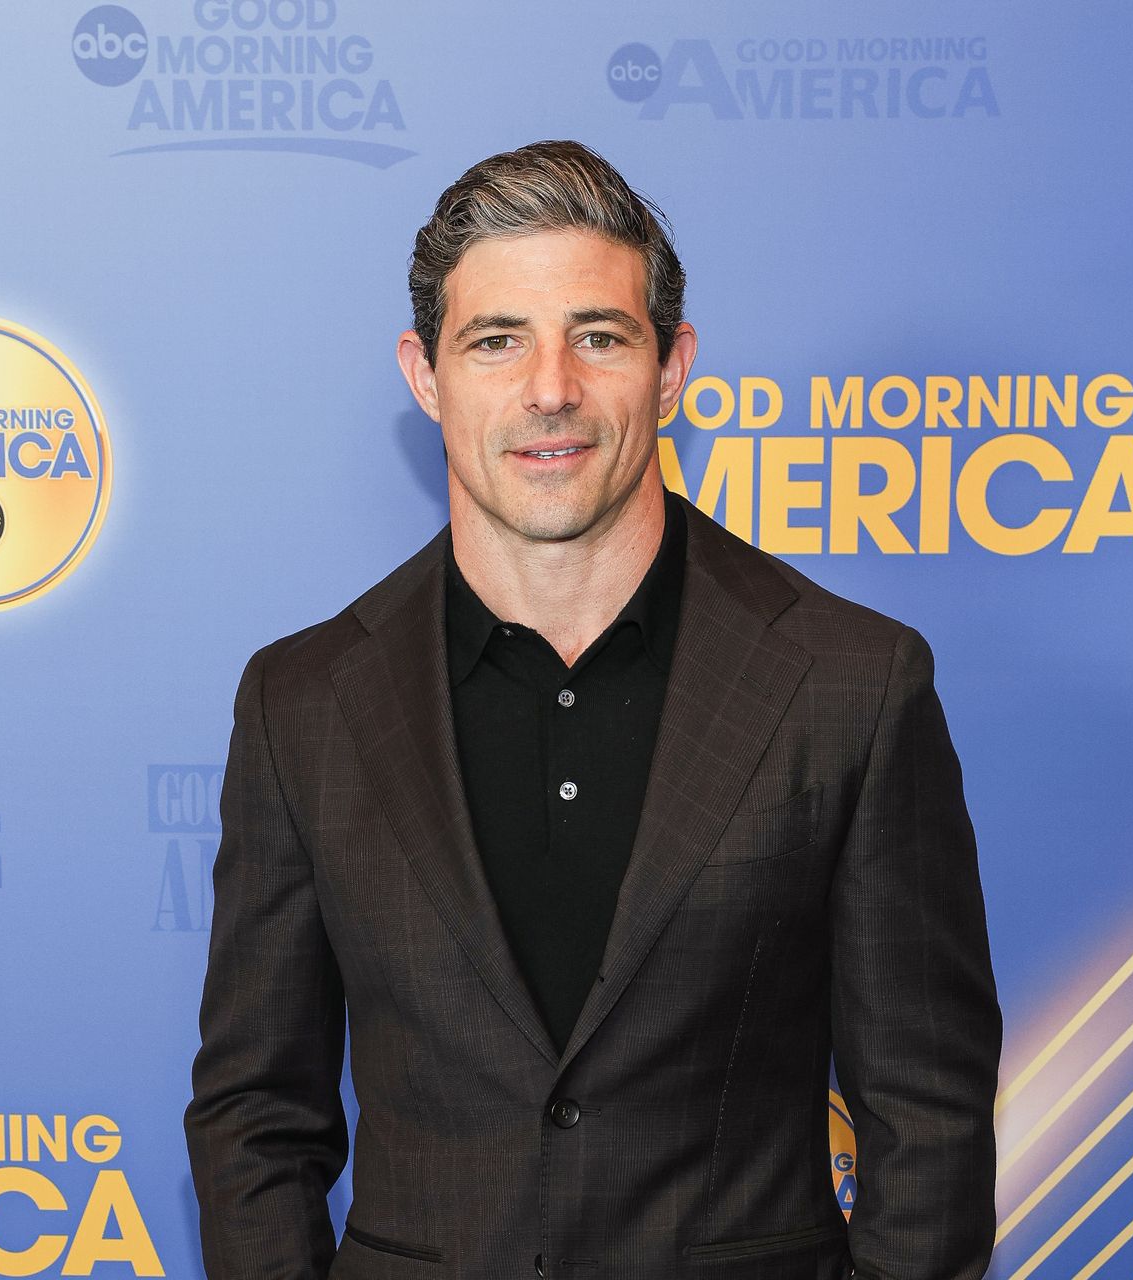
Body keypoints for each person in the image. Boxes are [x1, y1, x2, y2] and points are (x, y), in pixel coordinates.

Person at [184, 139, 1001, 1280]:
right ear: (426, 376)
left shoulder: (852, 683)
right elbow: (255, 1116)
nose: (550, 388)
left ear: (671, 370)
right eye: (496, 340)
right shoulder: (303, 702)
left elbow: (929, 1115)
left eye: (600, 336)